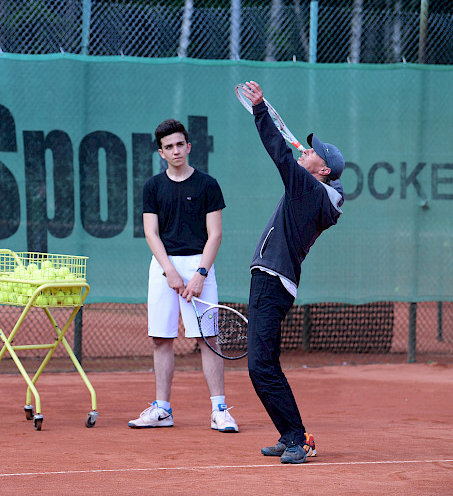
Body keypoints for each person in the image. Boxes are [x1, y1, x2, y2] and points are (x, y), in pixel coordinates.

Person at [240, 81, 345, 464]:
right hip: (272, 279)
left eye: (313, 152)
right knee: (265, 364)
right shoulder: (314, 190)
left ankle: (298, 439)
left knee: (259, 366)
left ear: (324, 170)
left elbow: (280, 153)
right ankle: (290, 435)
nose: (307, 151)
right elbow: (290, 157)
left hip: (272, 280)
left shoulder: (310, 189)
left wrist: (260, 109)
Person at [129, 118, 239, 433]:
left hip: (200, 267)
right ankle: (162, 409)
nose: (175, 151)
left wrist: (200, 274)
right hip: (164, 268)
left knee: (208, 340)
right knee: (161, 339)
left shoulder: (207, 185)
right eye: (169, 147)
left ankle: (220, 410)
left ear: (188, 146)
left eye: (180, 144)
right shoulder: (153, 187)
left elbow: (215, 234)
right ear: (161, 152)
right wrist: (170, 272)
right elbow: (151, 233)